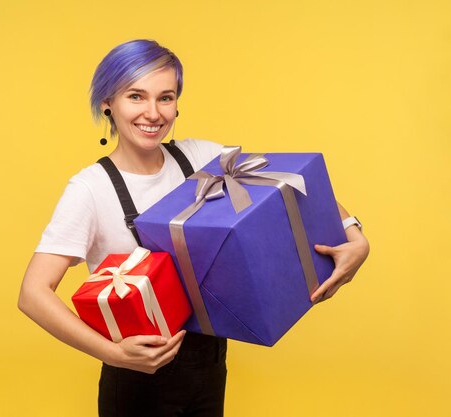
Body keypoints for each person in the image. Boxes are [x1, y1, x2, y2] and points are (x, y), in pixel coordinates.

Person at [18, 39, 370, 417]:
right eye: (136, 96)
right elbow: (33, 294)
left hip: (210, 362)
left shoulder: (201, 157)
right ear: (108, 103)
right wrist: (113, 353)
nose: (153, 113)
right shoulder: (90, 189)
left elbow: (284, 185)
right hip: (137, 380)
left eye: (165, 97)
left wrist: (355, 235)